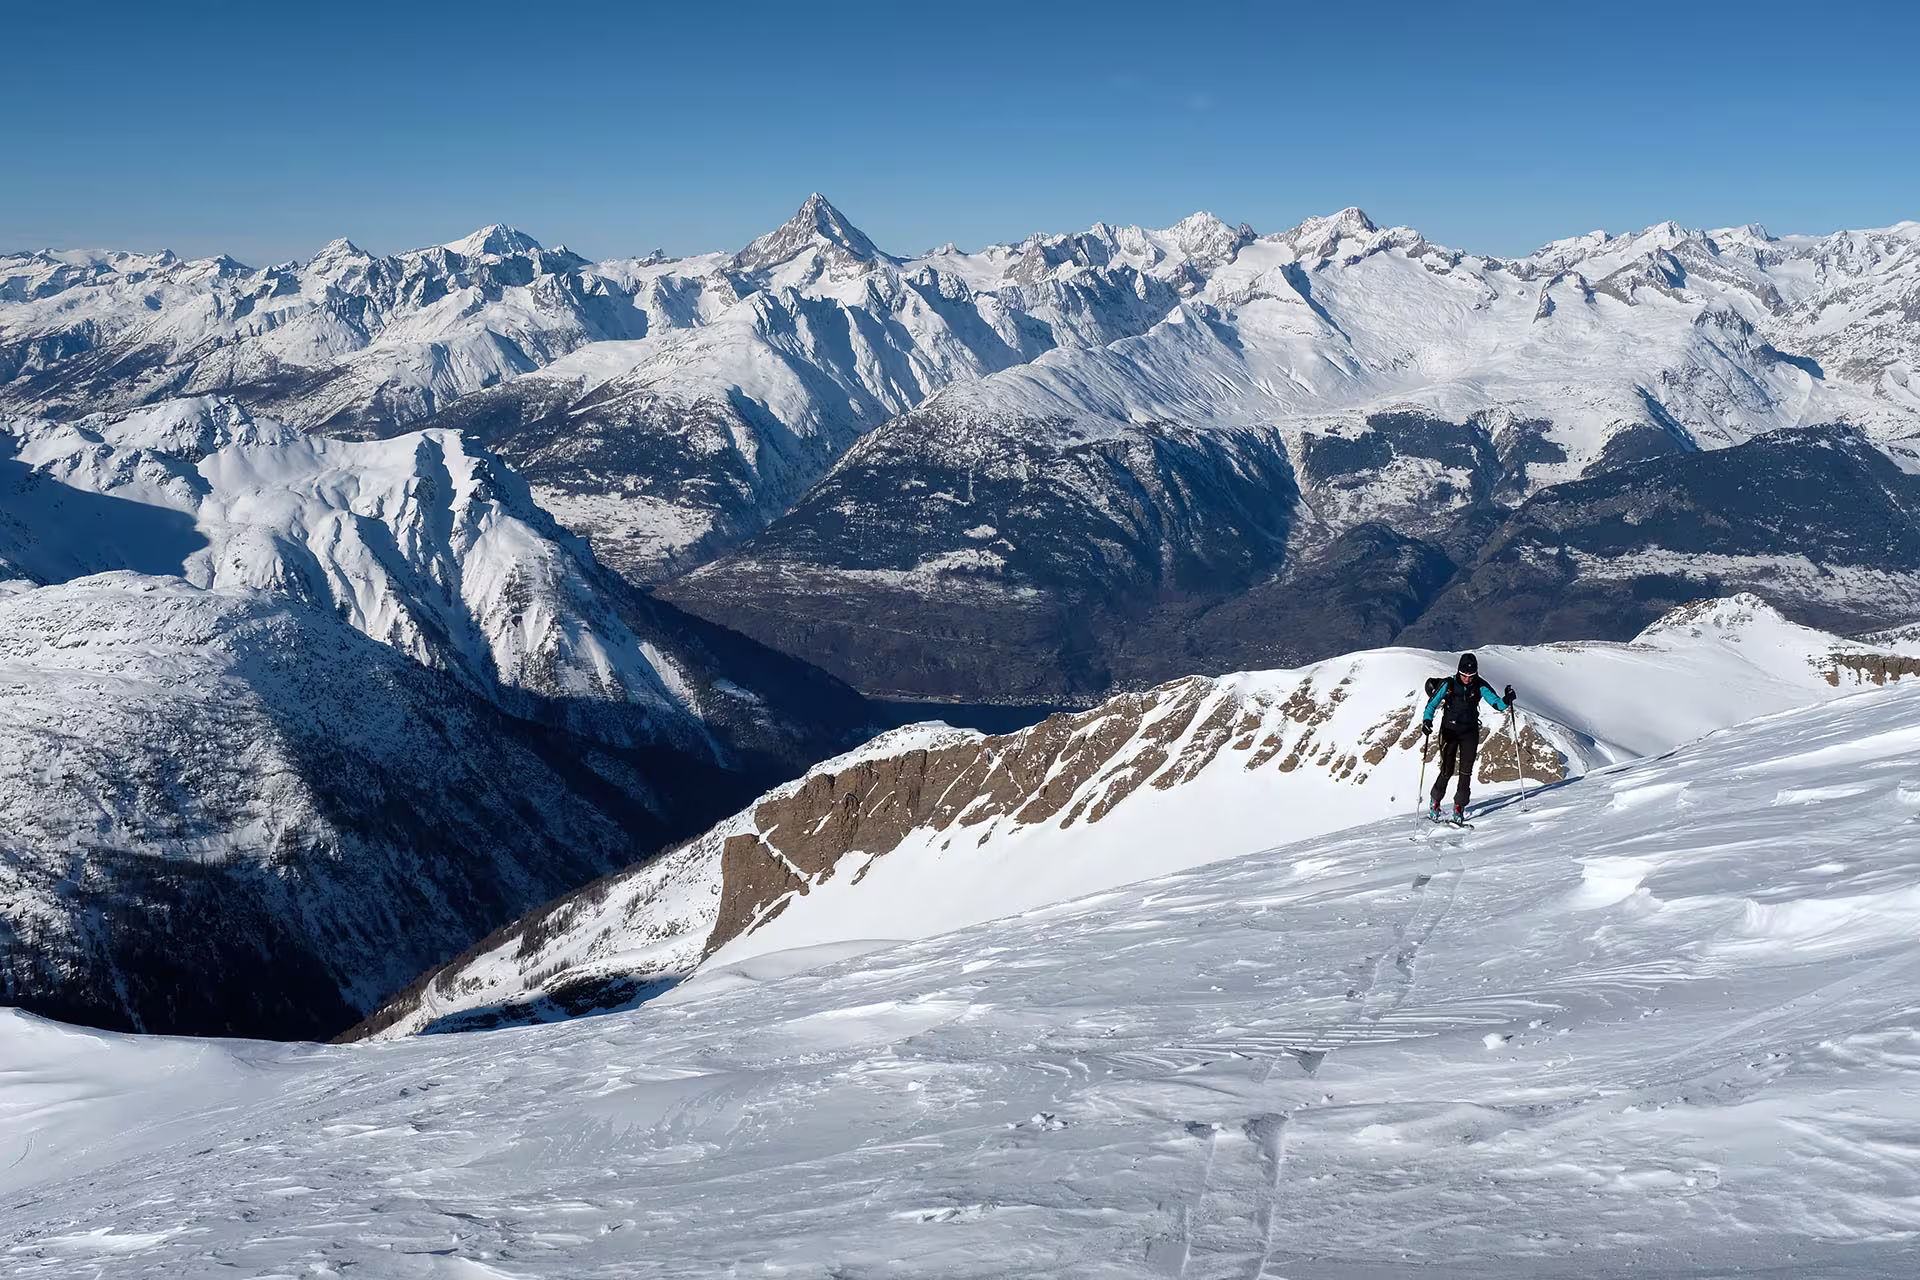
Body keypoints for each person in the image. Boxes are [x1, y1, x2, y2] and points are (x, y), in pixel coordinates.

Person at [1420, 652, 1516, 822]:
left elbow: (1496, 704)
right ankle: (1435, 801)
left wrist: (1507, 699)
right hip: (1449, 731)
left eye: (1471, 675)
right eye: (1464, 675)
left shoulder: (1480, 685)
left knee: (1466, 772)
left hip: (1469, 732)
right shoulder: (1448, 684)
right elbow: (1432, 704)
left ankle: (1459, 807)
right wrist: (1427, 721)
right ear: (1459, 672)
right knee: (1447, 770)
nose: (1467, 679)